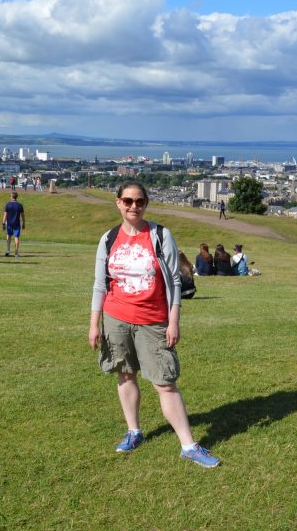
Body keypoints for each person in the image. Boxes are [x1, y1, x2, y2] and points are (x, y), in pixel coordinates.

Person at [88, 181, 219, 468]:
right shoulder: (108, 238)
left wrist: (174, 322)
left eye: (139, 201)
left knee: (165, 382)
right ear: (118, 203)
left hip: (153, 320)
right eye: (127, 200)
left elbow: (174, 280)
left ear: (146, 203)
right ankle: (134, 431)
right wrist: (94, 324)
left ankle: (188, 445)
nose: (133, 206)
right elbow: (100, 283)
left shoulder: (160, 235)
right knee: (125, 374)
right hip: (116, 318)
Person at [2, 191, 25, 258]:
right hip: (17, 223)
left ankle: (8, 250)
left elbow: (5, 215)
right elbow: (23, 215)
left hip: (9, 223)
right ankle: (16, 252)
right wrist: (24, 223)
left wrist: (3, 223)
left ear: (11, 197)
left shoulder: (8, 204)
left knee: (8, 236)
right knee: (16, 237)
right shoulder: (20, 205)